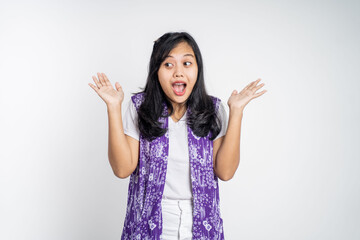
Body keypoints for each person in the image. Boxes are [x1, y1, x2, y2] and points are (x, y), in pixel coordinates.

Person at [89, 31, 266, 240]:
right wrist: (113, 108)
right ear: (156, 71)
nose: (178, 73)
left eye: (187, 63)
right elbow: (122, 168)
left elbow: (225, 172)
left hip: (201, 224)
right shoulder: (140, 108)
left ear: (197, 69)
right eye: (168, 64)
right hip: (149, 223)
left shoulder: (214, 109)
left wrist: (236, 112)